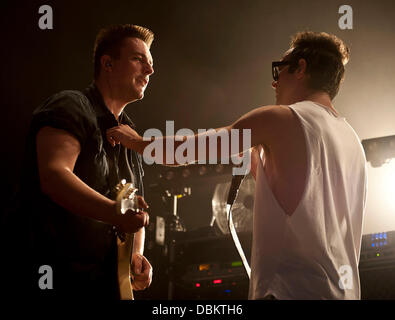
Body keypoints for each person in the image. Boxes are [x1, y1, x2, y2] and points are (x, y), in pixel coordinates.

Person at [106, 31, 368, 300]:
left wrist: (136, 141)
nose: (274, 83)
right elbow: (300, 201)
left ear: (300, 68)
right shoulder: (352, 140)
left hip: (288, 290)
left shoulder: (280, 118)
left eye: (279, 71)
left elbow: (187, 151)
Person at [14, 24, 154, 299]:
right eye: (139, 60)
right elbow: (54, 176)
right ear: (108, 64)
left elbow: (132, 207)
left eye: (150, 64)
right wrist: (115, 213)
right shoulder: (70, 105)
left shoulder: (130, 135)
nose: (149, 71)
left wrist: (136, 258)